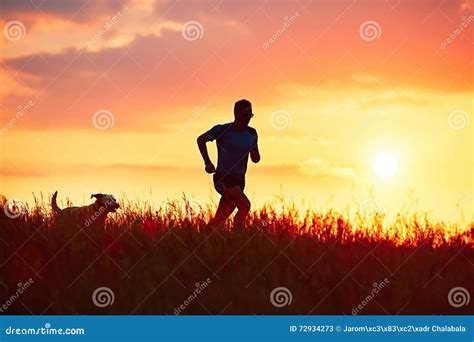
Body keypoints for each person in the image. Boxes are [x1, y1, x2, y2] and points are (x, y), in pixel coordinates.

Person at [197, 99, 260, 230]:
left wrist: (255, 155)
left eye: (250, 115)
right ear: (236, 114)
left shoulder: (252, 133)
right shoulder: (223, 130)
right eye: (245, 115)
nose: (248, 118)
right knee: (245, 206)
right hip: (223, 177)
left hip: (239, 180)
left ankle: (204, 238)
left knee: (219, 221)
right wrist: (207, 162)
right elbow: (201, 139)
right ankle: (238, 240)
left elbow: (255, 156)